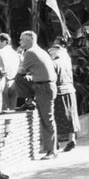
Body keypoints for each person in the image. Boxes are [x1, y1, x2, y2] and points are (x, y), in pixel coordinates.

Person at [15, 31, 58, 160]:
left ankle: (52, 150)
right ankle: (29, 101)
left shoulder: (30, 52)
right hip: (43, 85)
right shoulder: (40, 50)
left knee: (47, 119)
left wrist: (19, 55)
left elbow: (20, 70)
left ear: (29, 40)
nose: (19, 42)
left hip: (43, 87)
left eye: (21, 40)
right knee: (46, 118)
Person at [48, 37, 80, 153]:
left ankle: (55, 142)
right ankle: (71, 140)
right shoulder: (66, 58)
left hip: (59, 91)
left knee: (55, 118)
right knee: (70, 117)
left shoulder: (55, 61)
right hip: (70, 89)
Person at [0, 33, 20, 110]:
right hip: (14, 81)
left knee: (3, 109)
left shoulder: (1, 52)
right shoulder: (16, 54)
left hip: (3, 81)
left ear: (4, 42)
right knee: (12, 109)